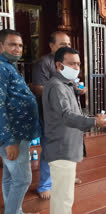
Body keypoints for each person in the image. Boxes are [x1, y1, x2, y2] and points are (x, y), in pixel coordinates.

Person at [42, 47, 106, 214]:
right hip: (61, 149)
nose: (76, 68)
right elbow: (66, 116)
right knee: (63, 199)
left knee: (64, 196)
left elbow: (74, 113)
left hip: (67, 147)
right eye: (72, 64)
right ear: (60, 66)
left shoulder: (67, 85)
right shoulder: (57, 87)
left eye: (78, 64)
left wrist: (95, 118)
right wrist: (94, 122)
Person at [32, 31, 85, 199]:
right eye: (62, 44)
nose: (67, 46)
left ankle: (67, 175)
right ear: (51, 45)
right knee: (50, 148)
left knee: (69, 146)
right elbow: (37, 87)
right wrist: (58, 92)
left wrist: (78, 90)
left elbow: (73, 86)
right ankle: (45, 185)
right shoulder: (44, 63)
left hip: (70, 114)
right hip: (51, 116)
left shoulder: (70, 64)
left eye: (68, 43)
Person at [0, 29, 41, 214]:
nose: (17, 49)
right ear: (1, 46)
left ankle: (15, 211)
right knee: (23, 179)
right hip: (13, 135)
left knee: (10, 176)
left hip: (18, 133)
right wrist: (10, 141)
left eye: (20, 45)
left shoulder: (8, 66)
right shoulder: (1, 68)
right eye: (12, 44)